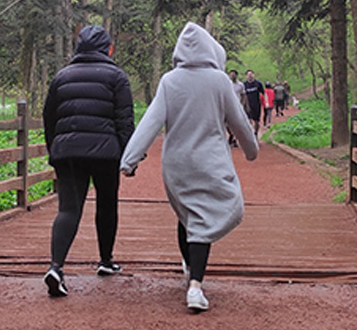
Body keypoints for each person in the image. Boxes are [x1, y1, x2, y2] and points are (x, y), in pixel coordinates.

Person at [120, 23, 259, 312]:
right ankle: (196, 286)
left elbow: (150, 121)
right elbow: (239, 122)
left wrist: (130, 160)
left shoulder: (170, 81)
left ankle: (188, 265)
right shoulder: (220, 81)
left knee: (188, 214)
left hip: (177, 164)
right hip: (211, 160)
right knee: (205, 217)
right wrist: (251, 150)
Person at [41, 25, 135, 297]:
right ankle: (105, 261)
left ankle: (56, 267)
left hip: (68, 152)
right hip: (106, 153)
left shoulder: (62, 77)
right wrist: (128, 157)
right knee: (107, 204)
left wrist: (54, 150)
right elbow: (124, 121)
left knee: (68, 210)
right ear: (109, 49)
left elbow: (50, 118)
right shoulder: (117, 76)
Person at [242, 69, 264, 137]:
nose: (250, 76)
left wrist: (266, 103)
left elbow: (263, 93)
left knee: (256, 121)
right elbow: (243, 95)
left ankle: (256, 133)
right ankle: (250, 133)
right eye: (248, 75)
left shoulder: (258, 83)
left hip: (257, 104)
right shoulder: (244, 85)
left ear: (253, 75)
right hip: (248, 104)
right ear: (246, 76)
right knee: (249, 120)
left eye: (251, 74)